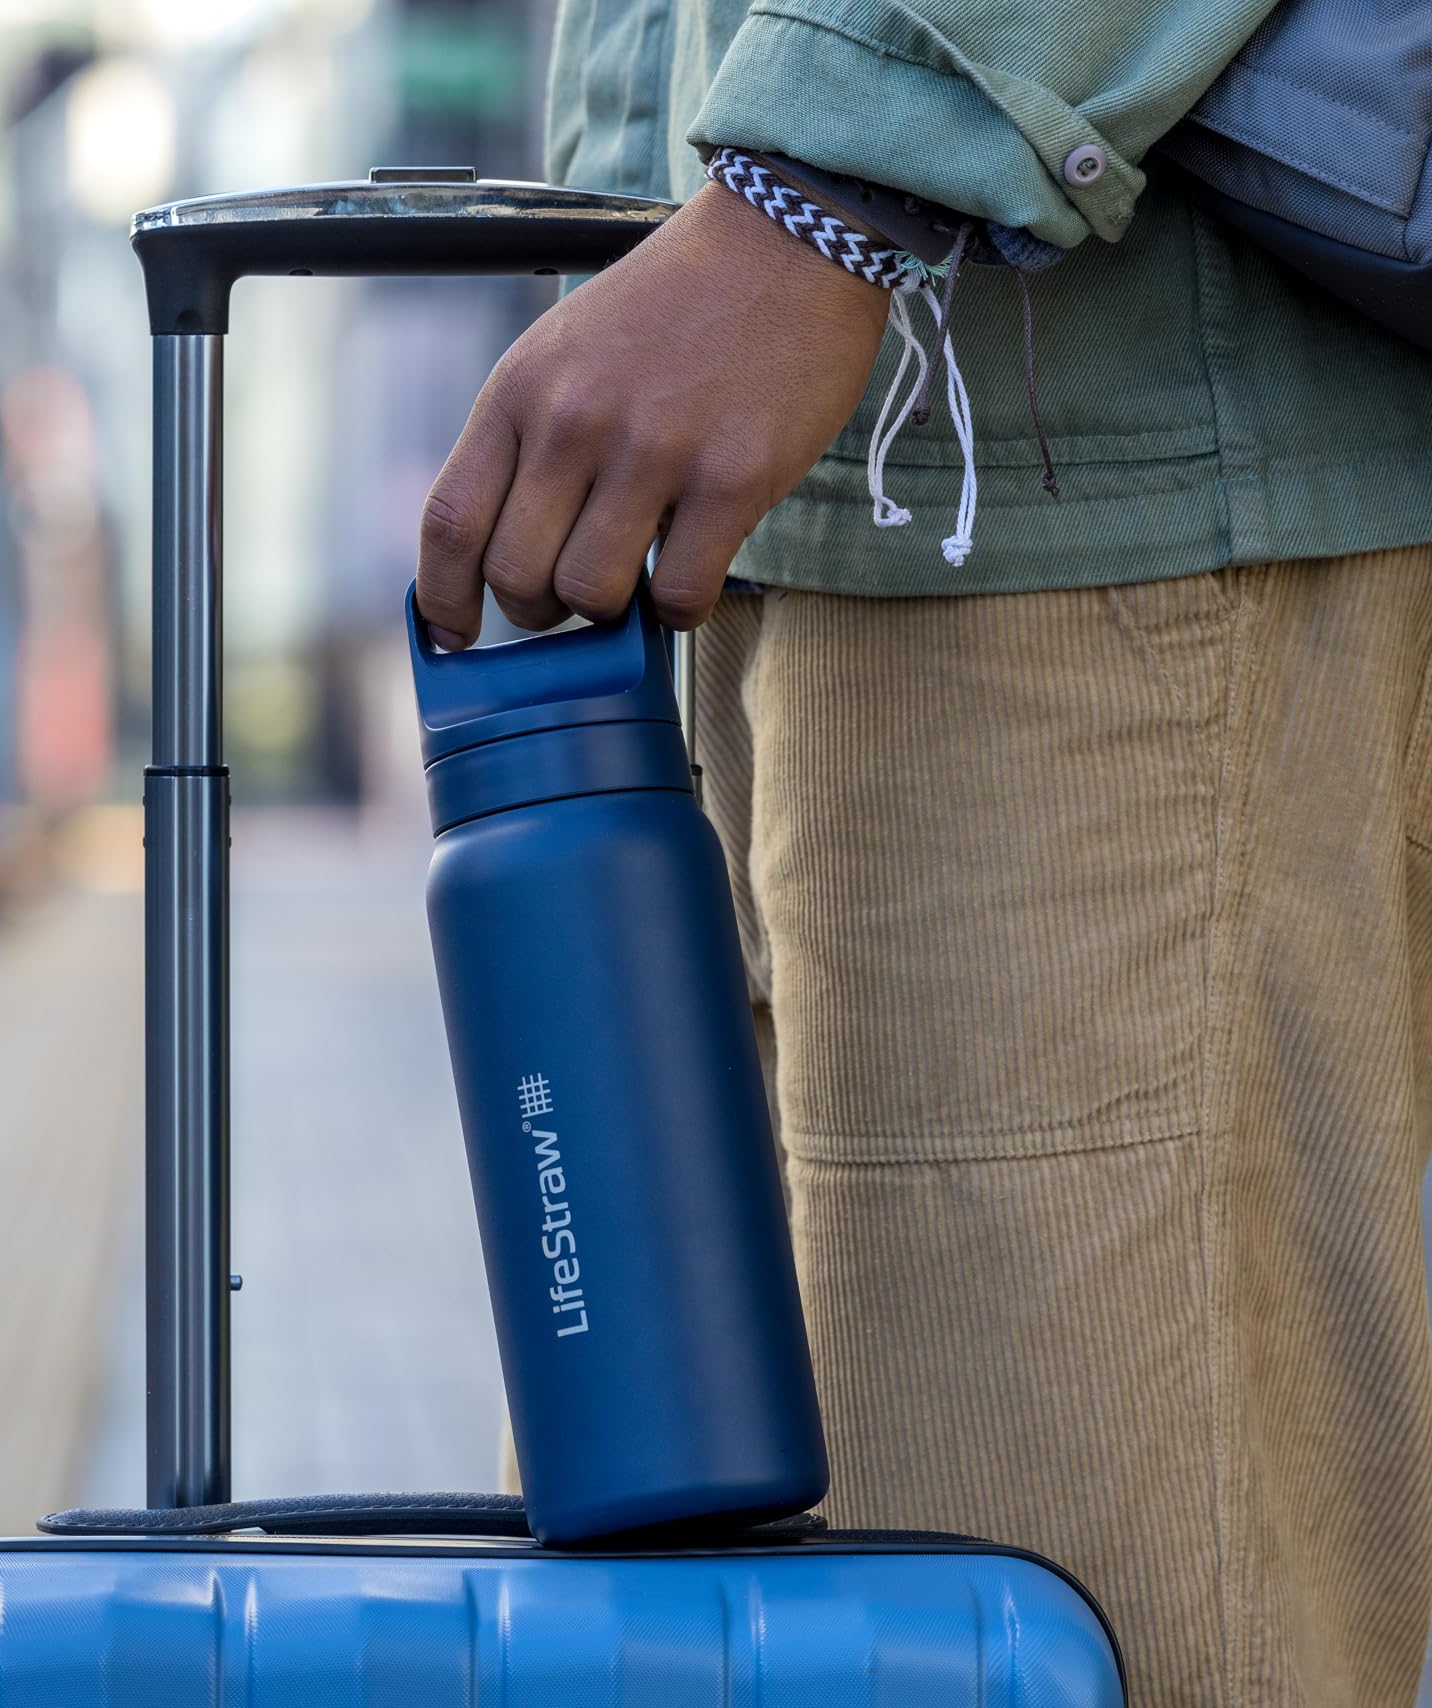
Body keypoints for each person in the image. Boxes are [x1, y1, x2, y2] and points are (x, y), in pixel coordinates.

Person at [416, 3, 1432, 1702]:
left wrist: (820, 181)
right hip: (787, 499)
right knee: (719, 1622)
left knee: (1061, 1621)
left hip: (1059, 483)